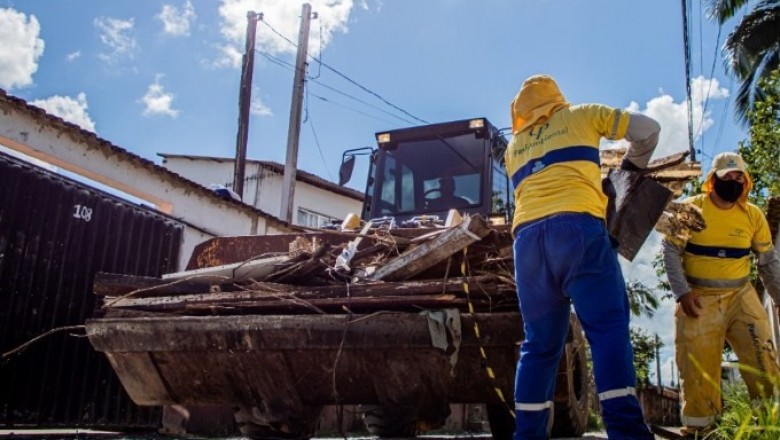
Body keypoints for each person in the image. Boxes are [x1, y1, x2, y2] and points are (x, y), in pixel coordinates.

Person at [505, 74, 659, 439]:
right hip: (577, 232)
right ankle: (627, 432)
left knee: (539, 345)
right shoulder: (584, 115)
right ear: (558, 99)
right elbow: (648, 130)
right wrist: (629, 172)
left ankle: (526, 435)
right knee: (606, 331)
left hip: (526, 244)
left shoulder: (513, 149)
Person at [662, 151, 780, 437]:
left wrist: (779, 298)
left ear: (746, 181)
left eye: (739, 176)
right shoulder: (689, 210)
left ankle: (769, 422)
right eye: (727, 176)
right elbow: (670, 251)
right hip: (698, 298)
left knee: (762, 355)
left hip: (741, 295)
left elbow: (767, 261)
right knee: (698, 366)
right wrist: (682, 293)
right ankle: (702, 430)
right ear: (713, 181)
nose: (734, 181)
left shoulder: (753, 216)